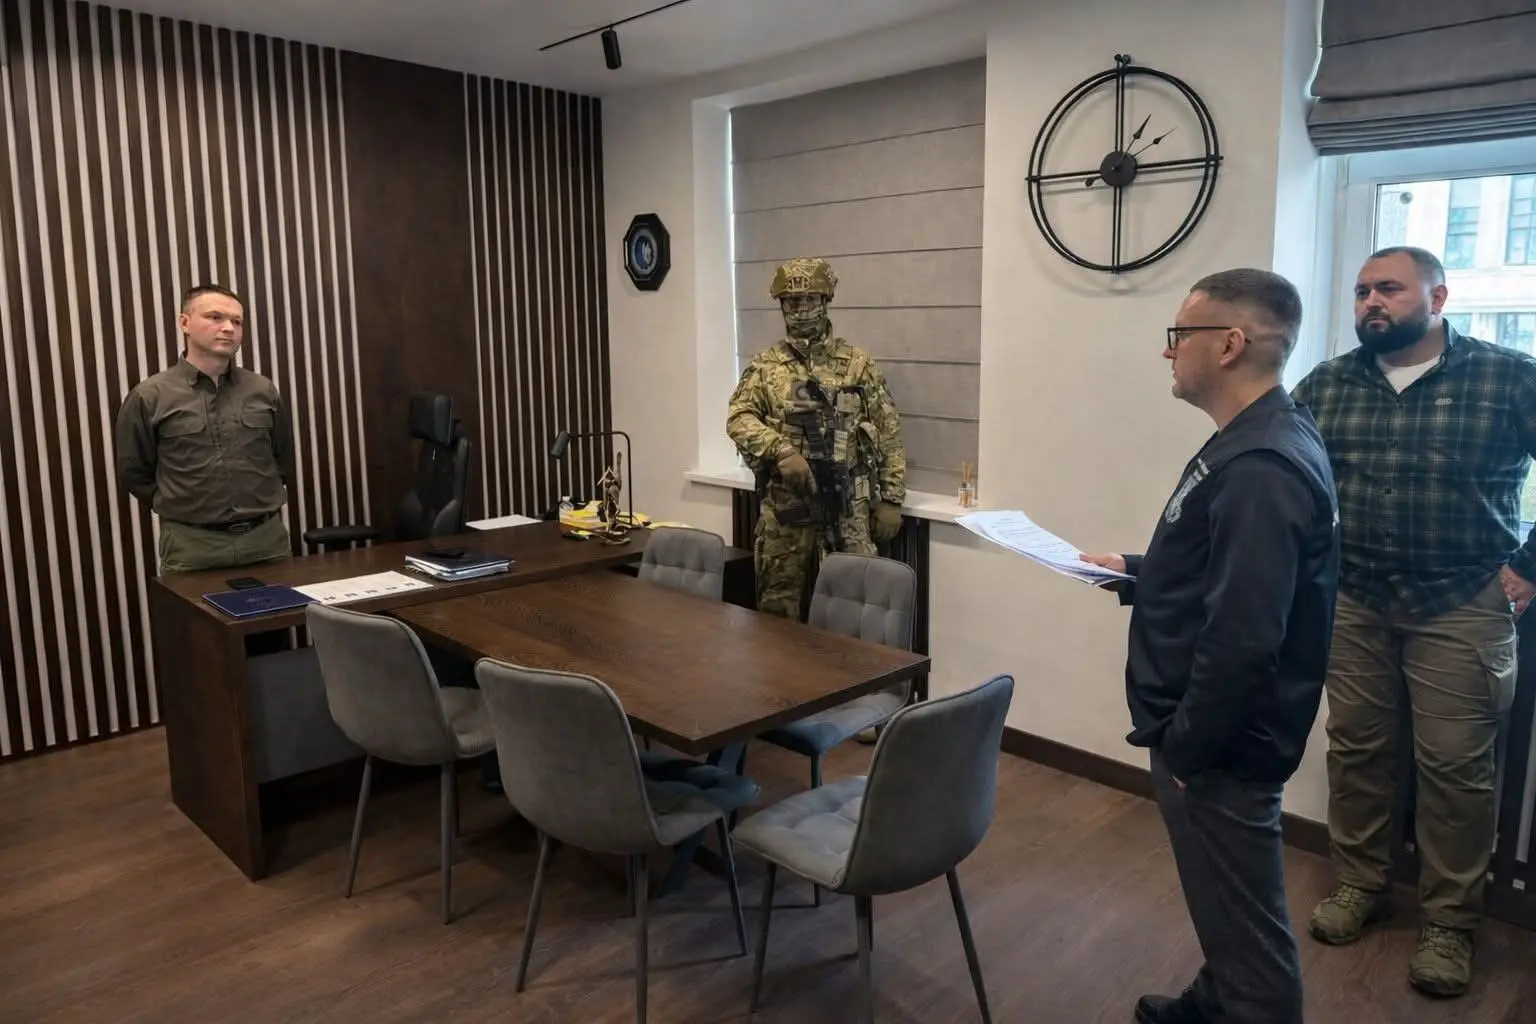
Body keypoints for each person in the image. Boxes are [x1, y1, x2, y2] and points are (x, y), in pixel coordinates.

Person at [1082, 268, 1339, 1024]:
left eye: (1179, 335)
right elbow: (1225, 572)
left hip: (1221, 747)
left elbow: (1245, 638)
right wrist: (1135, 570)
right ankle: (1218, 999)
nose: (1169, 351)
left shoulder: (1261, 465)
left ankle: (1244, 1004)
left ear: (1229, 344)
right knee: (1223, 901)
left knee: (1249, 929)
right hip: (1210, 737)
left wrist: (1189, 750)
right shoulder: (1254, 438)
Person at [1293, 246, 1535, 998]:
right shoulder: (1326, 383)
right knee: (1357, 751)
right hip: (1355, 598)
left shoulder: (1508, 377)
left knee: (1457, 769)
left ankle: (1449, 922)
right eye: (1362, 290)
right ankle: (1361, 883)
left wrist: (1530, 565)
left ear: (1438, 297)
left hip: (1462, 601)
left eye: (1390, 289)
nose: (1371, 301)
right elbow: (1286, 477)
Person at [726, 256, 906, 621]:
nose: (801, 308)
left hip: (847, 511)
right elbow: (738, 418)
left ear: (825, 300)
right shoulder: (765, 367)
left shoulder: (857, 364)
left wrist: (891, 499)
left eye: (810, 299)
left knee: (853, 613)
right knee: (777, 617)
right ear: (781, 306)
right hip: (786, 513)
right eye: (792, 301)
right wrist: (781, 451)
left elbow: (888, 430)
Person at [115, 284, 295, 574]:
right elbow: (134, 472)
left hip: (266, 540)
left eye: (237, 322)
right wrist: (180, 504)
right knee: (192, 608)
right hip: (192, 545)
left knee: (280, 605)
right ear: (184, 323)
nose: (229, 328)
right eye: (215, 317)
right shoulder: (149, 396)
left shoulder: (262, 390)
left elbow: (282, 459)